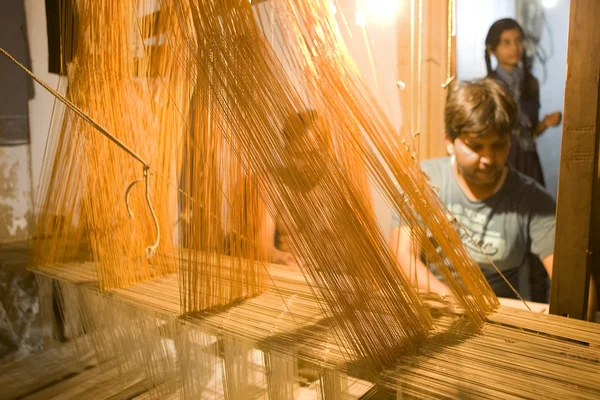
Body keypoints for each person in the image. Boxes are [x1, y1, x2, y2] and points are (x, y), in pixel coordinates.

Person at [390, 78, 556, 299]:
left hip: (501, 315)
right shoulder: (423, 181)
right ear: (450, 142)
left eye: (498, 145)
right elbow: (403, 256)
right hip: (438, 307)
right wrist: (457, 304)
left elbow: (570, 282)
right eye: (475, 146)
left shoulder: (534, 200)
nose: (488, 158)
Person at [485, 18, 561, 301]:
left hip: (529, 160)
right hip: (503, 161)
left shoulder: (531, 82)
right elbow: (497, 131)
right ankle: (505, 304)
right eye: (506, 42)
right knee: (505, 233)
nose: (514, 48)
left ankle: (542, 303)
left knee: (535, 230)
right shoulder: (489, 85)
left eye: (518, 41)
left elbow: (527, 133)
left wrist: (544, 124)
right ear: (492, 48)